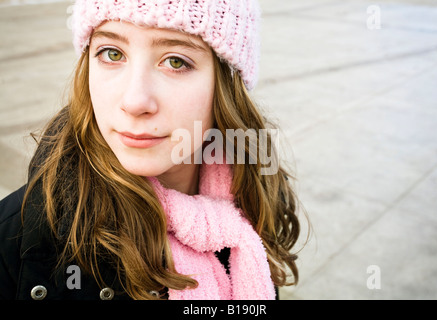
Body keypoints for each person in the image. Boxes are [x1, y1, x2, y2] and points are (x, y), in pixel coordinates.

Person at [0, 0, 306, 300]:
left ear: (227, 83)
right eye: (112, 53)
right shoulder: (15, 236)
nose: (135, 101)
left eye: (175, 61)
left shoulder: (250, 203)